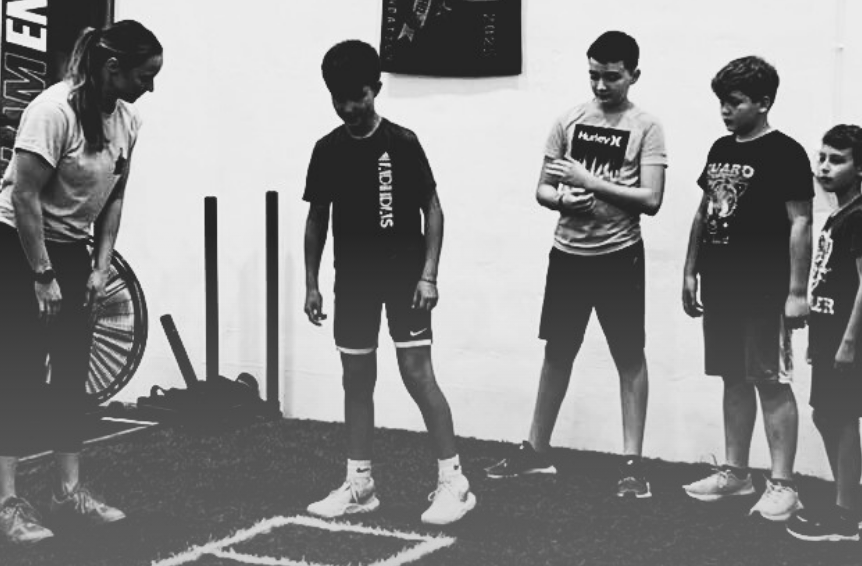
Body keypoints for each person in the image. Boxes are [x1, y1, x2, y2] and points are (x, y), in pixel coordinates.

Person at [0, 19, 163, 543]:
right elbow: (24, 196)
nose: (150, 87)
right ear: (113, 68)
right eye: (144, 76)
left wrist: (100, 266)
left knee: (70, 370)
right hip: (17, 247)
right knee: (15, 373)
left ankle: (67, 492)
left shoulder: (127, 120)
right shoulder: (52, 112)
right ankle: (4, 506)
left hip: (71, 249)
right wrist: (42, 275)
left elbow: (115, 196)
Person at [486, 30, 667, 498]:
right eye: (594, 75)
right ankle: (536, 450)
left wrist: (591, 182)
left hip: (619, 256)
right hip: (568, 255)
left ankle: (632, 464)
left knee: (628, 355)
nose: (601, 85)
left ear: (633, 75)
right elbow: (543, 188)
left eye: (612, 77)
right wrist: (562, 198)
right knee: (558, 351)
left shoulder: (646, 127)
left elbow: (652, 199)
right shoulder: (568, 120)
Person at [302, 39, 476, 526]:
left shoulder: (402, 142)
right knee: (356, 379)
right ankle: (359, 485)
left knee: (417, 375)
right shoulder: (327, 150)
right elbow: (316, 220)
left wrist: (429, 275)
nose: (348, 108)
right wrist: (311, 283)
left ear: (376, 89)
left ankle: (454, 482)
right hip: (353, 282)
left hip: (405, 280)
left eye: (356, 97)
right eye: (338, 99)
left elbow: (433, 209)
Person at [681, 56, 813, 520]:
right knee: (732, 378)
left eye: (734, 102)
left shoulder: (786, 153)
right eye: (721, 101)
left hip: (764, 288)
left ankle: (783, 484)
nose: (725, 110)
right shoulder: (720, 147)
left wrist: (797, 292)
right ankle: (736, 472)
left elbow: (801, 222)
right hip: (721, 284)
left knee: (770, 381)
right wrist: (690, 271)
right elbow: (704, 211)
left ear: (764, 102)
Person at [786, 125, 862, 543]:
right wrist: (818, 339)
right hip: (829, 334)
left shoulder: (860, 216)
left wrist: (848, 341)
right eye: (821, 157)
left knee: (842, 419)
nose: (824, 167)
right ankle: (844, 504)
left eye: (836, 160)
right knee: (826, 415)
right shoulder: (837, 215)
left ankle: (846, 515)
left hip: (849, 339)